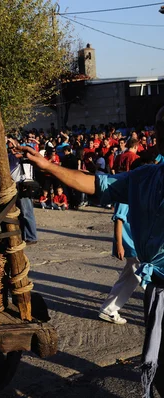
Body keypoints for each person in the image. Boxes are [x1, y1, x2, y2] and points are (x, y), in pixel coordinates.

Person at [18, 106, 164, 395]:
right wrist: (48, 167)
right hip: (157, 288)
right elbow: (96, 184)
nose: (160, 131)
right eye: (160, 125)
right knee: (158, 365)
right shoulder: (146, 176)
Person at [98, 202, 140, 325]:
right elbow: (118, 219)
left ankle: (108, 309)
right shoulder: (126, 194)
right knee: (147, 280)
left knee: (130, 278)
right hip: (132, 243)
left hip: (135, 242)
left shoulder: (132, 190)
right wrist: (119, 245)